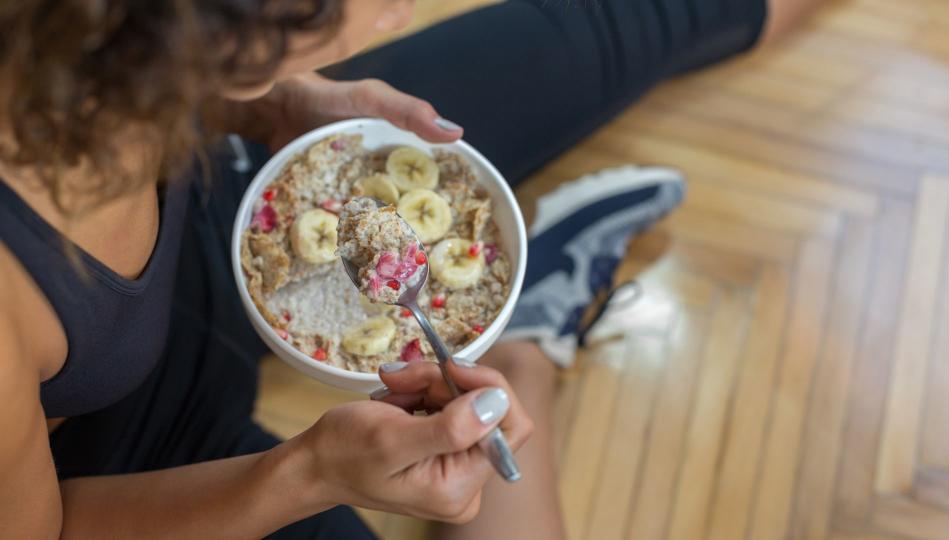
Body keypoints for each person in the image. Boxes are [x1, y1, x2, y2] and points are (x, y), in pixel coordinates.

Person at [0, 0, 823, 538]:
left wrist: (270, 99)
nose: (397, 11)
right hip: (138, 468)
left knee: (633, 21)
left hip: (227, 192)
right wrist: (311, 471)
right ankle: (525, 354)